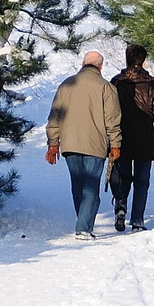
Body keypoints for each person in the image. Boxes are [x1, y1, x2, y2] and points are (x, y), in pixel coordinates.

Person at [45, 50, 121, 239]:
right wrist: (115, 144)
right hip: (95, 145)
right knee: (90, 186)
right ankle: (83, 227)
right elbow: (112, 120)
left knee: (77, 185)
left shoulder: (66, 85)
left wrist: (53, 143)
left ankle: (83, 221)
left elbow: (55, 116)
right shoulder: (106, 87)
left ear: (83, 63)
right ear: (100, 67)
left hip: (70, 144)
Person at [109, 44, 154, 232]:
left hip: (122, 135)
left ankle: (121, 206)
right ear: (143, 61)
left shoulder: (116, 82)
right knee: (142, 181)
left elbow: (109, 110)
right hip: (144, 136)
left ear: (127, 59)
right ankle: (138, 221)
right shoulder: (151, 83)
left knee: (122, 177)